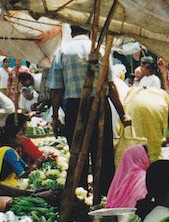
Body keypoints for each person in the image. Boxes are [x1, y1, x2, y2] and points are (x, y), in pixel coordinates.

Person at [47, 25, 131, 196]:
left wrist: (55, 116)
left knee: (78, 155)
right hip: (99, 105)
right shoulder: (100, 50)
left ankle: (80, 195)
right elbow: (111, 85)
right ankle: (106, 195)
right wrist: (123, 114)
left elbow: (56, 89)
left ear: (71, 32)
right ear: (89, 32)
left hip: (74, 108)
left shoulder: (62, 52)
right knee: (104, 153)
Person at [122, 84, 169, 162]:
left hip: (134, 112)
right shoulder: (164, 95)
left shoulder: (130, 95)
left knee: (135, 152)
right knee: (153, 156)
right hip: (156, 109)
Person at [0, 113, 30, 185]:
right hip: (5, 184)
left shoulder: (10, 149)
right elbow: (22, 174)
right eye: (21, 135)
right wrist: (38, 162)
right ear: (12, 138)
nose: (24, 137)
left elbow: (25, 167)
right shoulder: (9, 152)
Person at [105, 144, 150, 210]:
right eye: (148, 157)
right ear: (142, 157)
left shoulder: (120, 179)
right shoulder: (144, 178)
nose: (149, 160)